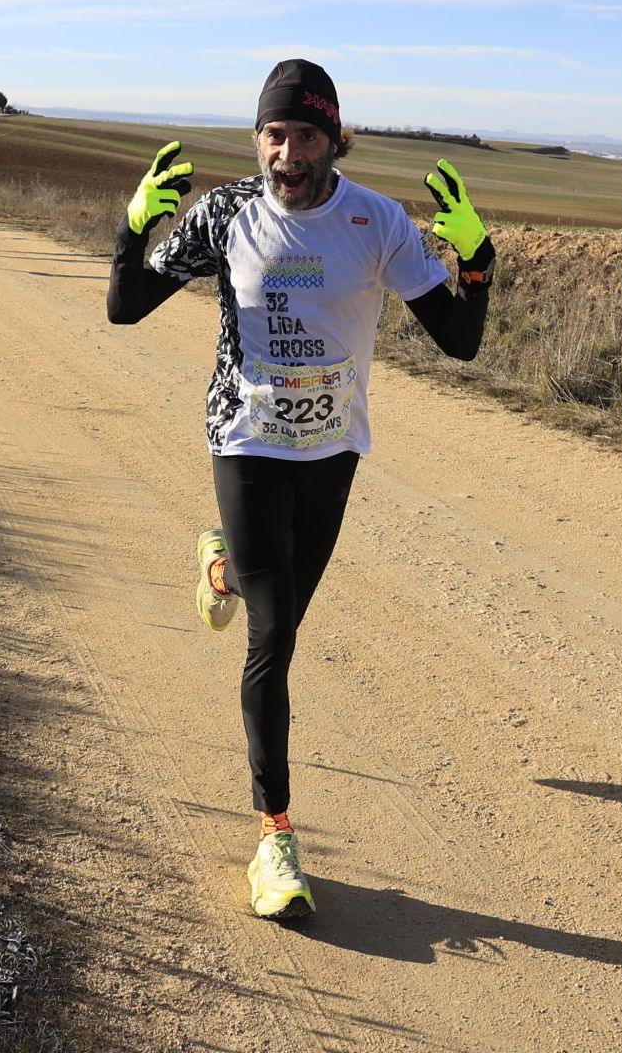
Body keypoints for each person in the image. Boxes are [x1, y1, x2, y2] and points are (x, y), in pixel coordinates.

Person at [105, 59, 494, 921]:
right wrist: (135, 228)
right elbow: (126, 307)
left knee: (272, 598)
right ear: (257, 139)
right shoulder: (225, 213)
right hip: (243, 439)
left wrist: (478, 256)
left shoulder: (379, 223)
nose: (289, 152)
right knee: (273, 639)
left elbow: (461, 341)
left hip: (331, 452)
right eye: (274, 134)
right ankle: (273, 835)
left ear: (334, 139)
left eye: (306, 135)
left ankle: (221, 566)